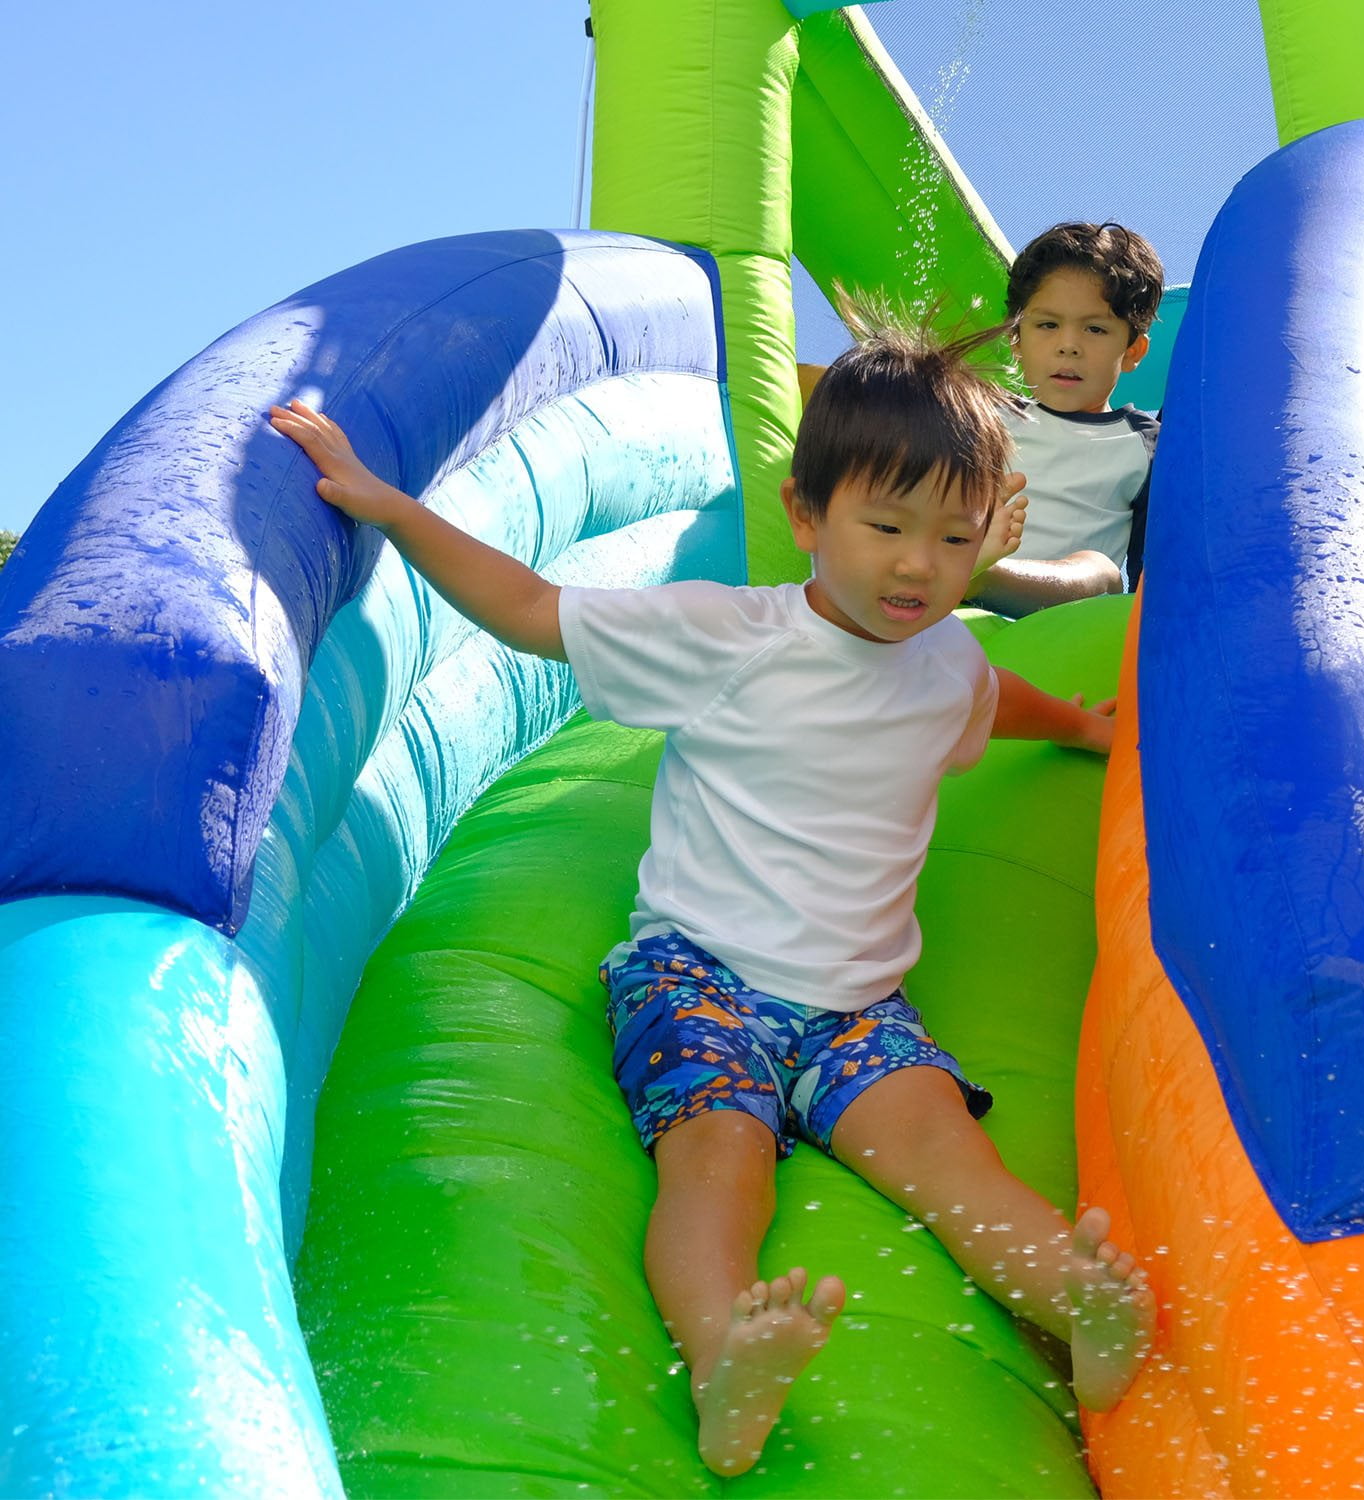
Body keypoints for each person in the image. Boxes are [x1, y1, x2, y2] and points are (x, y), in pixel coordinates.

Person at [267, 308, 1155, 1478]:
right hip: (702, 975)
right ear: (807, 513)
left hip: (858, 1009)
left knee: (951, 1159)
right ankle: (725, 1349)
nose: (915, 566)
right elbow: (534, 613)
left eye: (952, 538)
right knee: (717, 1154)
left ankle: (1074, 1298)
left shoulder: (950, 665)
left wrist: (1082, 726)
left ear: (989, 537)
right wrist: (390, 508)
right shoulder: (733, 638)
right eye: (885, 525)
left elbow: (994, 699)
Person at [967, 221, 1164, 617]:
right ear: (1016, 338)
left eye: (1094, 328)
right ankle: (965, 568)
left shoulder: (1147, 444)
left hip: (1064, 618)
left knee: (1102, 570)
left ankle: (978, 576)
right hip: (959, 594)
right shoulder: (979, 412)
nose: (1068, 346)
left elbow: (1155, 569)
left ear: (1132, 351)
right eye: (1048, 325)